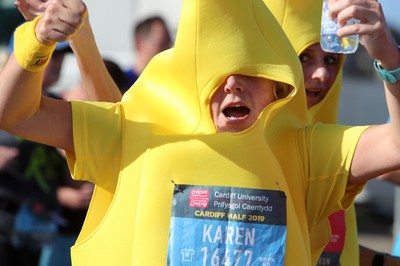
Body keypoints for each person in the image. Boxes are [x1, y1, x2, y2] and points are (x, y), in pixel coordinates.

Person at [1, 0, 400, 265]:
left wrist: (386, 54)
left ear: (279, 86)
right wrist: (36, 42)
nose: (232, 85)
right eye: (217, 72)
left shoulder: (306, 151)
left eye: (250, 74)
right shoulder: (133, 130)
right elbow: (16, 114)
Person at [265, 0, 400, 265]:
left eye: (330, 59)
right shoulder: (241, 145)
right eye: (304, 57)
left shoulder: (328, 144)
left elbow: (325, 246)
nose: (321, 73)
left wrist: (388, 57)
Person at [124, 15, 172, 87]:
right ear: (139, 44)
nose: (168, 49)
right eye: (161, 43)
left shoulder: (170, 85)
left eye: (169, 43)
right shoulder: (121, 84)